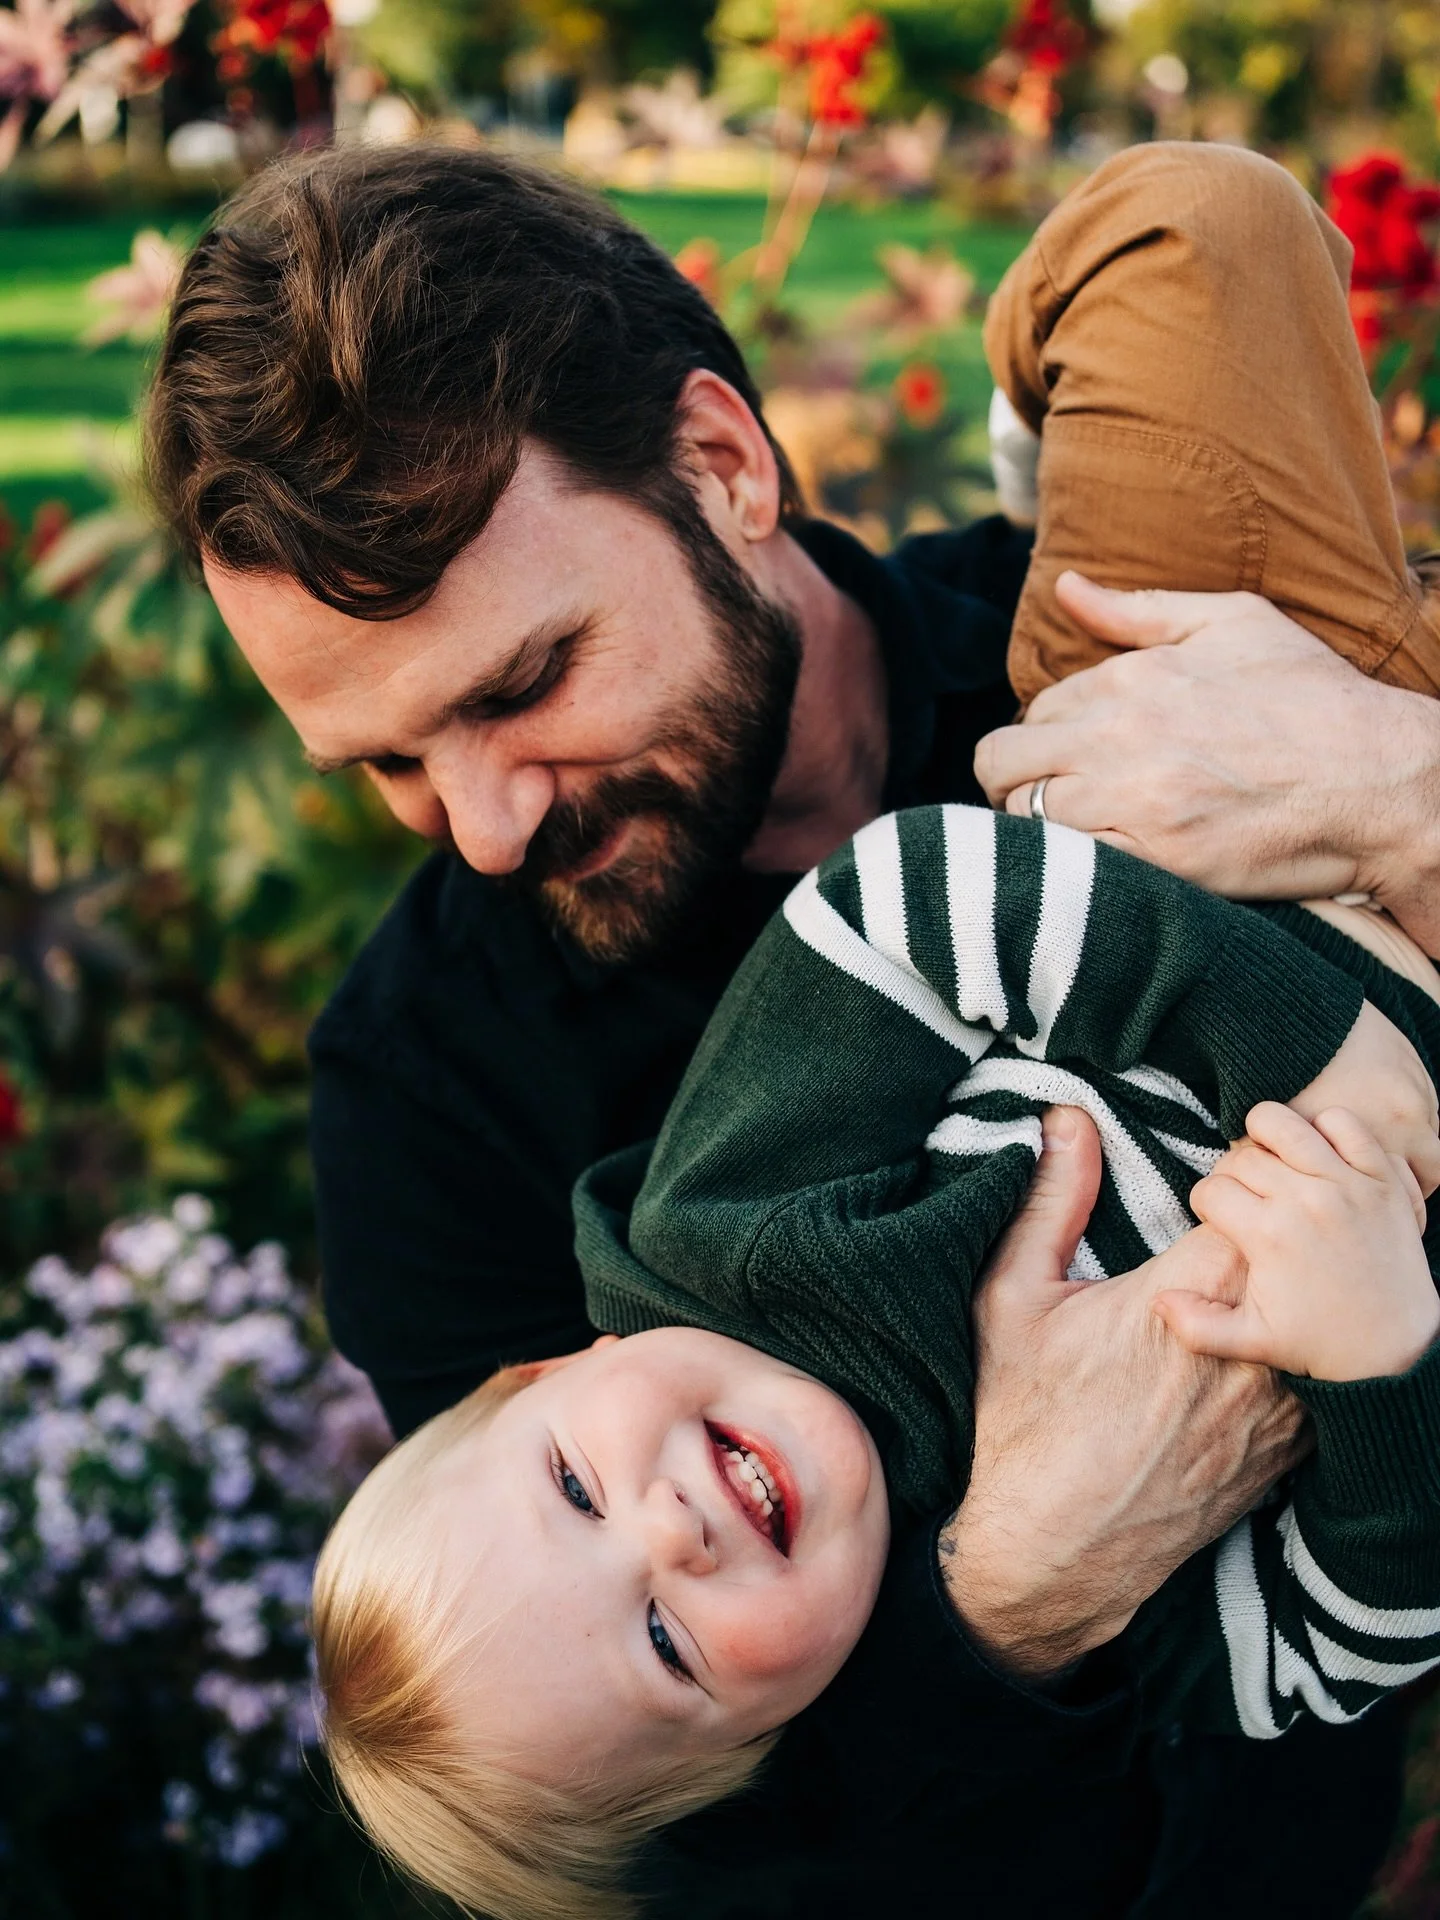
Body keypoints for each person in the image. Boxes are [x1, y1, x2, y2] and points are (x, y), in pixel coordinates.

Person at [143, 137, 1440, 1915]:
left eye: (522, 687)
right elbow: (707, 1845)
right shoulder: (437, 1097)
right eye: (385, 761)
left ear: (722, 465)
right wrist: (1015, 1595)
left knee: (1196, 228)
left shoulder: (1139, 652)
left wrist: (1409, 794)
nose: (486, 827)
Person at [310, 790, 1440, 1920]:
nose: (669, 1531)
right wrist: (1381, 1353)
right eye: (664, 1644)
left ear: (549, 1369)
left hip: (1306, 884)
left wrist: (1317, 1057)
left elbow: (908, 900)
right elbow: (1340, 1642)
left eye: (575, 1487)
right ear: (759, 1743)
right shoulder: (1100, 1616)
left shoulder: (726, 1222)